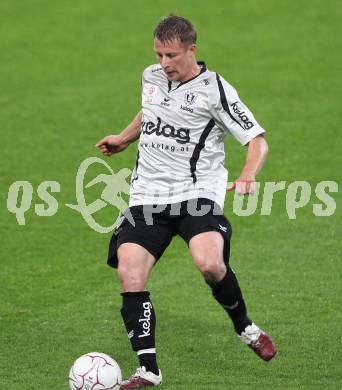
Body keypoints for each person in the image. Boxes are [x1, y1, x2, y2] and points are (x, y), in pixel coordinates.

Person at [96, 15, 276, 389]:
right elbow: (151, 113)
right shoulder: (153, 76)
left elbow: (257, 139)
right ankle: (148, 370)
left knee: (210, 264)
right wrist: (125, 138)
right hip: (147, 195)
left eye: (172, 55)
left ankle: (245, 327)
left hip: (197, 193)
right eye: (159, 54)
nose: (164, 63)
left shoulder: (215, 90)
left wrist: (248, 175)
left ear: (192, 49)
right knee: (129, 272)